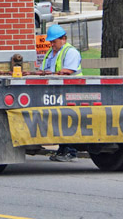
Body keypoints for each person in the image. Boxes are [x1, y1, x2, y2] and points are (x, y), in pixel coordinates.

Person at [41, 23, 82, 162]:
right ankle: (62, 149)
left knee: (68, 120)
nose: (52, 44)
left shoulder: (71, 52)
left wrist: (50, 74)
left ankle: (71, 151)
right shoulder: (51, 53)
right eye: (51, 41)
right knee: (59, 121)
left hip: (72, 91)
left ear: (63, 39)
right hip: (57, 92)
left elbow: (68, 71)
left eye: (54, 41)